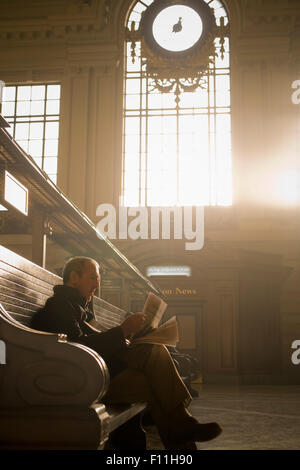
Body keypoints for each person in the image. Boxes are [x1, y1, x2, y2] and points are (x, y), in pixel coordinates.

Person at [31, 256, 222, 449]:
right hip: (87, 383)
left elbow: (92, 343)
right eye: (92, 278)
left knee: (154, 352)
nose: (97, 285)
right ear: (74, 277)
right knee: (158, 384)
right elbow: (78, 348)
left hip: (100, 376)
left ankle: (184, 427)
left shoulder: (79, 308)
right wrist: (122, 331)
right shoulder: (59, 307)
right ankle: (184, 429)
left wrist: (133, 336)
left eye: (98, 279)